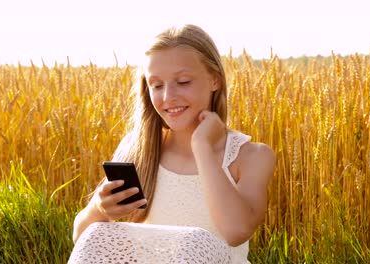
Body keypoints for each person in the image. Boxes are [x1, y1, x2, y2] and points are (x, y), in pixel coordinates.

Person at [71, 24, 276, 263]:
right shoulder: (137, 150)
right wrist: (99, 209)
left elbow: (236, 231)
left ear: (215, 80)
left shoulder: (251, 156)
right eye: (157, 85)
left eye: (183, 81)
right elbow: (85, 241)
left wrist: (202, 146)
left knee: (195, 243)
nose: (168, 97)